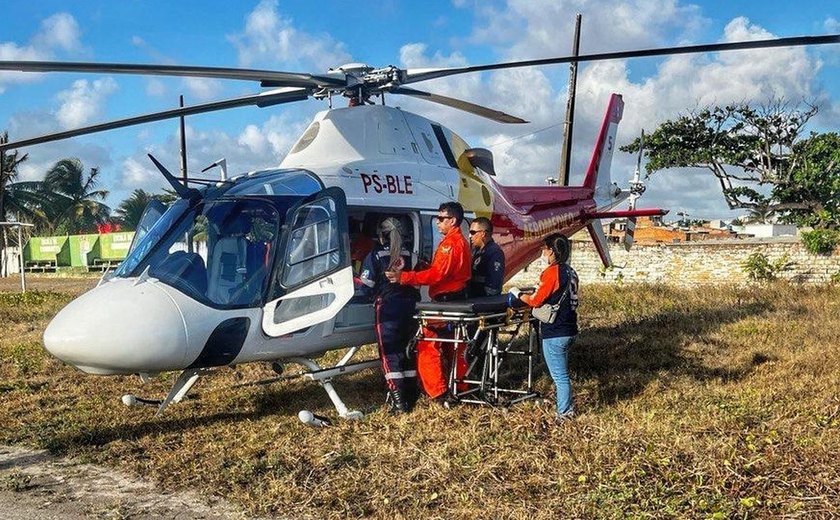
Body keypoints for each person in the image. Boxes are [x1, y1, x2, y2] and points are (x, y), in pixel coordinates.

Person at [385, 202, 471, 403]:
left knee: (427, 343)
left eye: (441, 219)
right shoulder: (458, 241)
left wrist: (404, 277)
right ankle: (462, 385)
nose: (438, 223)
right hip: (455, 299)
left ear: (453, 220)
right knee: (455, 345)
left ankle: (437, 392)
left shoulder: (450, 244)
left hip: (445, 303)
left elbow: (438, 274)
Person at [510, 234, 579, 418]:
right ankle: (564, 409)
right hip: (569, 327)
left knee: (560, 377)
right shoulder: (570, 271)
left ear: (552, 251)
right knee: (562, 374)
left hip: (555, 330)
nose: (542, 252)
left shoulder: (551, 272)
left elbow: (535, 301)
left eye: (544, 249)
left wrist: (517, 294)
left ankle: (564, 413)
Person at [357, 217, 420, 414]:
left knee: (389, 352)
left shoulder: (375, 256)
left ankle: (399, 402)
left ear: (381, 236)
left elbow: (365, 287)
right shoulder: (413, 256)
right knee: (408, 350)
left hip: (388, 308)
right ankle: (411, 395)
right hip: (411, 306)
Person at [468, 217, 505, 298]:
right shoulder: (475, 250)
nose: (470, 236)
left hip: (484, 300)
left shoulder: (494, 253)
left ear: (483, 233)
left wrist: (486, 302)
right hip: (473, 296)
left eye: (473, 232)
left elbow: (494, 283)